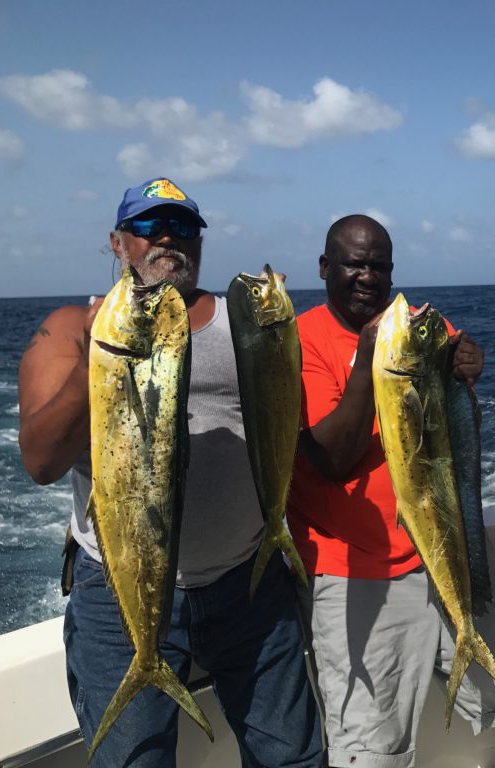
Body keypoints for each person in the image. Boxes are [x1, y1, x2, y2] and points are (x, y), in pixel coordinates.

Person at [17, 178, 323, 767]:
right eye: (148, 227)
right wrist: (112, 356)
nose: (167, 239)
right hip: (116, 592)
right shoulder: (75, 327)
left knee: (293, 760)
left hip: (248, 584)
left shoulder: (246, 322)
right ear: (117, 242)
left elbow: (292, 423)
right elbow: (40, 462)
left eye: (183, 228)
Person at [287, 214, 495, 768]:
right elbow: (332, 457)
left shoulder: (419, 327)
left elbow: (461, 422)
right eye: (355, 263)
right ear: (325, 267)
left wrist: (465, 368)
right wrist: (369, 358)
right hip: (357, 575)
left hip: (453, 549)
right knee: (370, 750)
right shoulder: (299, 339)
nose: (367, 277)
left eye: (380, 266)